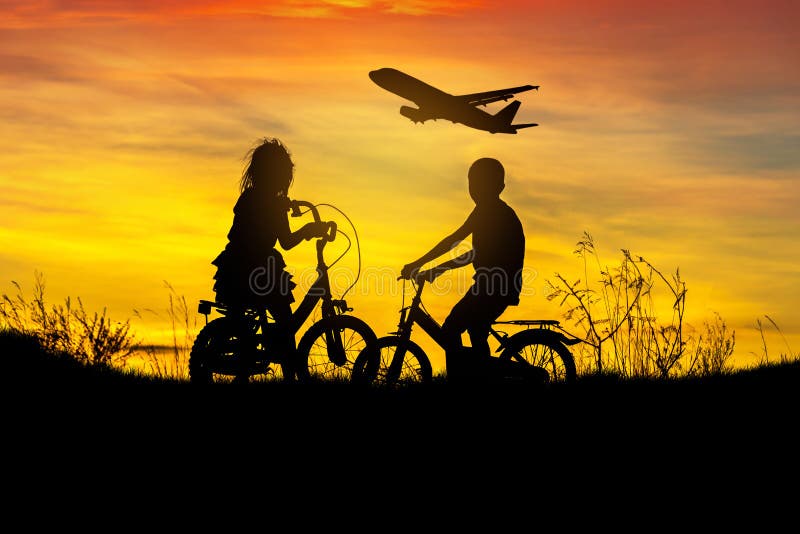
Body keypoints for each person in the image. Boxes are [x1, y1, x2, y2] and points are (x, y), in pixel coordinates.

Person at [400, 157, 529, 383]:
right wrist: (433, 267)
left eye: (480, 184)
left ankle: (460, 381)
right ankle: (478, 380)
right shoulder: (488, 211)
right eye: (473, 184)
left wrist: (424, 265)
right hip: (491, 286)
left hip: (495, 287)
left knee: (451, 329)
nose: (475, 190)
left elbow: (458, 243)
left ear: (499, 187)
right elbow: (469, 249)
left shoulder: (492, 213)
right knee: (476, 331)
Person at [211, 137, 328, 379]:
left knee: (245, 316)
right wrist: (308, 231)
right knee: (285, 322)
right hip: (260, 268)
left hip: (235, 265)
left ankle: (247, 358)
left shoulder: (250, 197)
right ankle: (289, 377)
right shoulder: (273, 204)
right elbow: (286, 241)